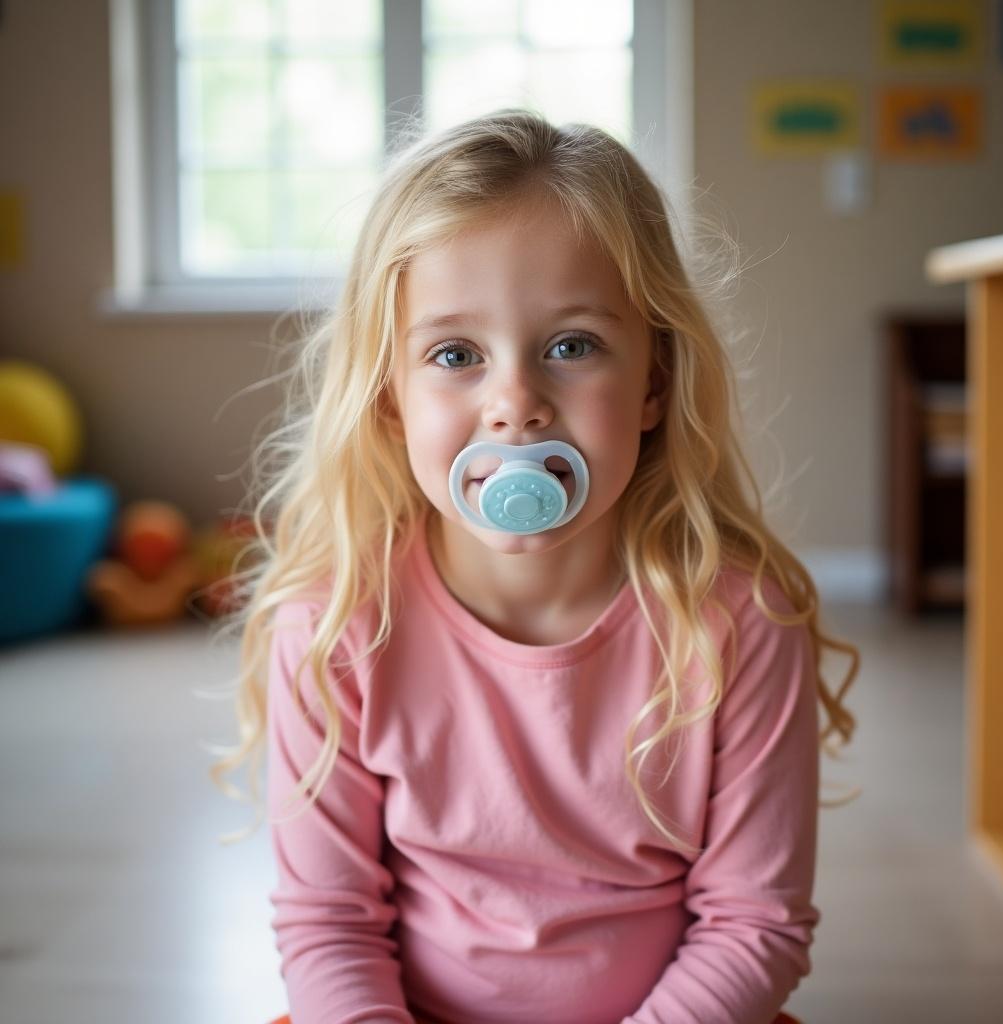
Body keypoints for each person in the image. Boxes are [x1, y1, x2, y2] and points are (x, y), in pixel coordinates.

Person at [209, 108, 860, 1024]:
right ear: (391, 399)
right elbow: (329, 926)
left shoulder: (743, 619)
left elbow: (754, 924)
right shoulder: (337, 623)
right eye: (455, 354)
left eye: (571, 345)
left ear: (654, 383)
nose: (515, 404)